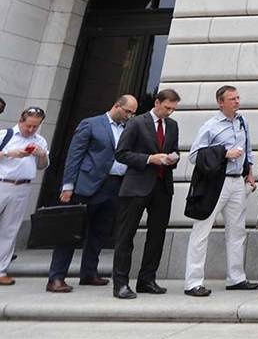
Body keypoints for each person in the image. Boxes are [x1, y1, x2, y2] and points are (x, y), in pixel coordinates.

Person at [47, 95, 137, 292]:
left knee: (99, 233)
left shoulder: (128, 129)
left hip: (114, 186)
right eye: (128, 111)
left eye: (133, 113)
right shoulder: (91, 124)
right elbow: (75, 155)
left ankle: (89, 273)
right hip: (86, 186)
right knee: (70, 232)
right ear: (116, 106)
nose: (130, 116)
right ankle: (56, 277)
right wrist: (68, 186)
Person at [184, 86, 258, 297]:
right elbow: (194, 156)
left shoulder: (242, 122)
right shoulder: (210, 126)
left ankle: (236, 277)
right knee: (202, 230)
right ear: (221, 102)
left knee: (237, 231)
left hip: (237, 182)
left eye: (238, 97)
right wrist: (224, 153)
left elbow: (249, 150)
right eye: (231, 99)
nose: (237, 101)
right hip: (215, 183)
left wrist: (250, 172)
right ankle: (193, 281)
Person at [112, 90, 181, 299]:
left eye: (173, 109)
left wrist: (173, 158)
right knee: (126, 235)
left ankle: (147, 279)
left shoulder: (172, 125)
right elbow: (121, 153)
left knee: (157, 235)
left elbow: (174, 149)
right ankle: (121, 283)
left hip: (162, 186)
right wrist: (149, 159)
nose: (170, 112)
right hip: (136, 186)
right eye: (167, 107)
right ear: (157, 102)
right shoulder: (136, 123)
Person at [0, 107, 50, 285]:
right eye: (29, 126)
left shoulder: (40, 141)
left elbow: (42, 165)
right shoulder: (5, 135)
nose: (31, 130)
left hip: (22, 186)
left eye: (35, 127)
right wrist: (8, 153)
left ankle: (1, 270)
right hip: (2, 181)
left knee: (10, 229)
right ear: (21, 121)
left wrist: (41, 154)